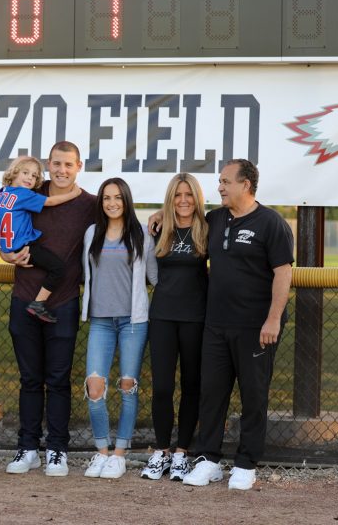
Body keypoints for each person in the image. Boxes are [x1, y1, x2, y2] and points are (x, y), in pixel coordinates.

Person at [178, 159, 294, 490]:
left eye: (226, 181)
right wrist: (159, 216)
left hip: (256, 327)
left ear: (246, 184)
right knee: (211, 394)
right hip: (216, 325)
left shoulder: (271, 223)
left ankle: (246, 463)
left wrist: (273, 319)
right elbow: (183, 221)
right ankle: (209, 460)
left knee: (254, 396)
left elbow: (283, 273)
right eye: (220, 181)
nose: (220, 187)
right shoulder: (215, 219)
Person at [0, 141, 95, 477]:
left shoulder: (90, 204)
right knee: (29, 379)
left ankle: (57, 449)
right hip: (24, 297)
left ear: (79, 166)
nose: (62, 170)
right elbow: (1, 225)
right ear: (47, 165)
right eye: (56, 163)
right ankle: (27, 448)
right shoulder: (28, 190)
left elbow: (123, 220)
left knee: (57, 380)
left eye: (68, 165)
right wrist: (6, 254)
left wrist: (155, 216)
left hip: (64, 302)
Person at [80, 178, 157, 479]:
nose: (112, 203)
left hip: (132, 322)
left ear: (126, 200)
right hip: (100, 321)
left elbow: (155, 277)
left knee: (128, 385)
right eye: (106, 198)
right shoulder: (91, 234)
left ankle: (120, 454)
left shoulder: (141, 235)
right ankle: (101, 451)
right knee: (95, 387)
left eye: (118, 198)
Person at [141, 173, 208, 482]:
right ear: (170, 198)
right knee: (163, 387)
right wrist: (156, 216)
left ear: (197, 198)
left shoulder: (209, 229)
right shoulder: (157, 229)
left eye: (189, 195)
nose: (183, 200)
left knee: (191, 385)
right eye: (178, 195)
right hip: (164, 316)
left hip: (196, 317)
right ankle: (161, 452)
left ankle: (182, 453)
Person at [0, 155, 82, 323]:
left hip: (9, 246)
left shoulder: (2, 193)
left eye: (34, 176)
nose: (30, 178)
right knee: (58, 268)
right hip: (23, 247)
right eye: (25, 172)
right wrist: (74, 194)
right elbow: (50, 201)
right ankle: (38, 303)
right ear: (14, 173)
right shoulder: (22, 194)